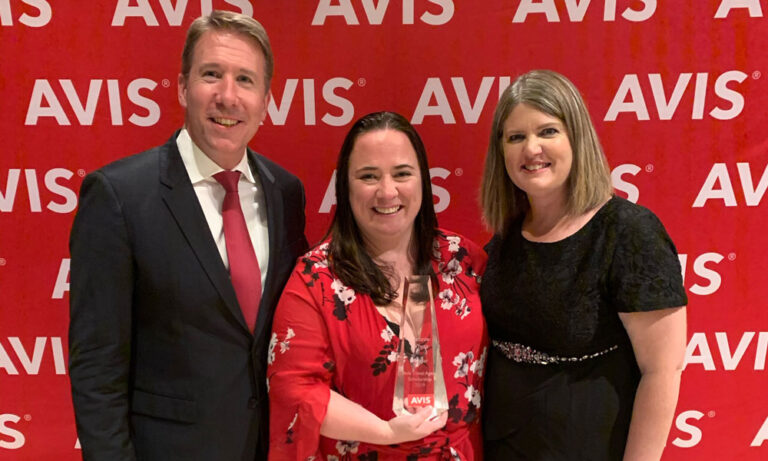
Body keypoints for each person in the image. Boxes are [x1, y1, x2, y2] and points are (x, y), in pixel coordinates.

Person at [68, 11, 308, 460]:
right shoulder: (119, 196)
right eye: (211, 74)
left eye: (245, 80)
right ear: (182, 87)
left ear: (265, 101)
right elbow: (97, 368)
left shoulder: (286, 193)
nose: (227, 96)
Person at [479, 70, 688, 461]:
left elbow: (662, 370)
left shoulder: (628, 232)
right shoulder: (505, 238)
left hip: (588, 446)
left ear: (576, 137)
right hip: (503, 444)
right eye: (516, 137)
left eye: (547, 131)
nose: (531, 148)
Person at [267, 111, 488, 460]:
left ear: (424, 181)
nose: (387, 191)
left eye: (402, 174)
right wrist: (386, 432)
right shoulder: (316, 279)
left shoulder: (463, 261)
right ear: (345, 186)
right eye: (368, 176)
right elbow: (295, 388)